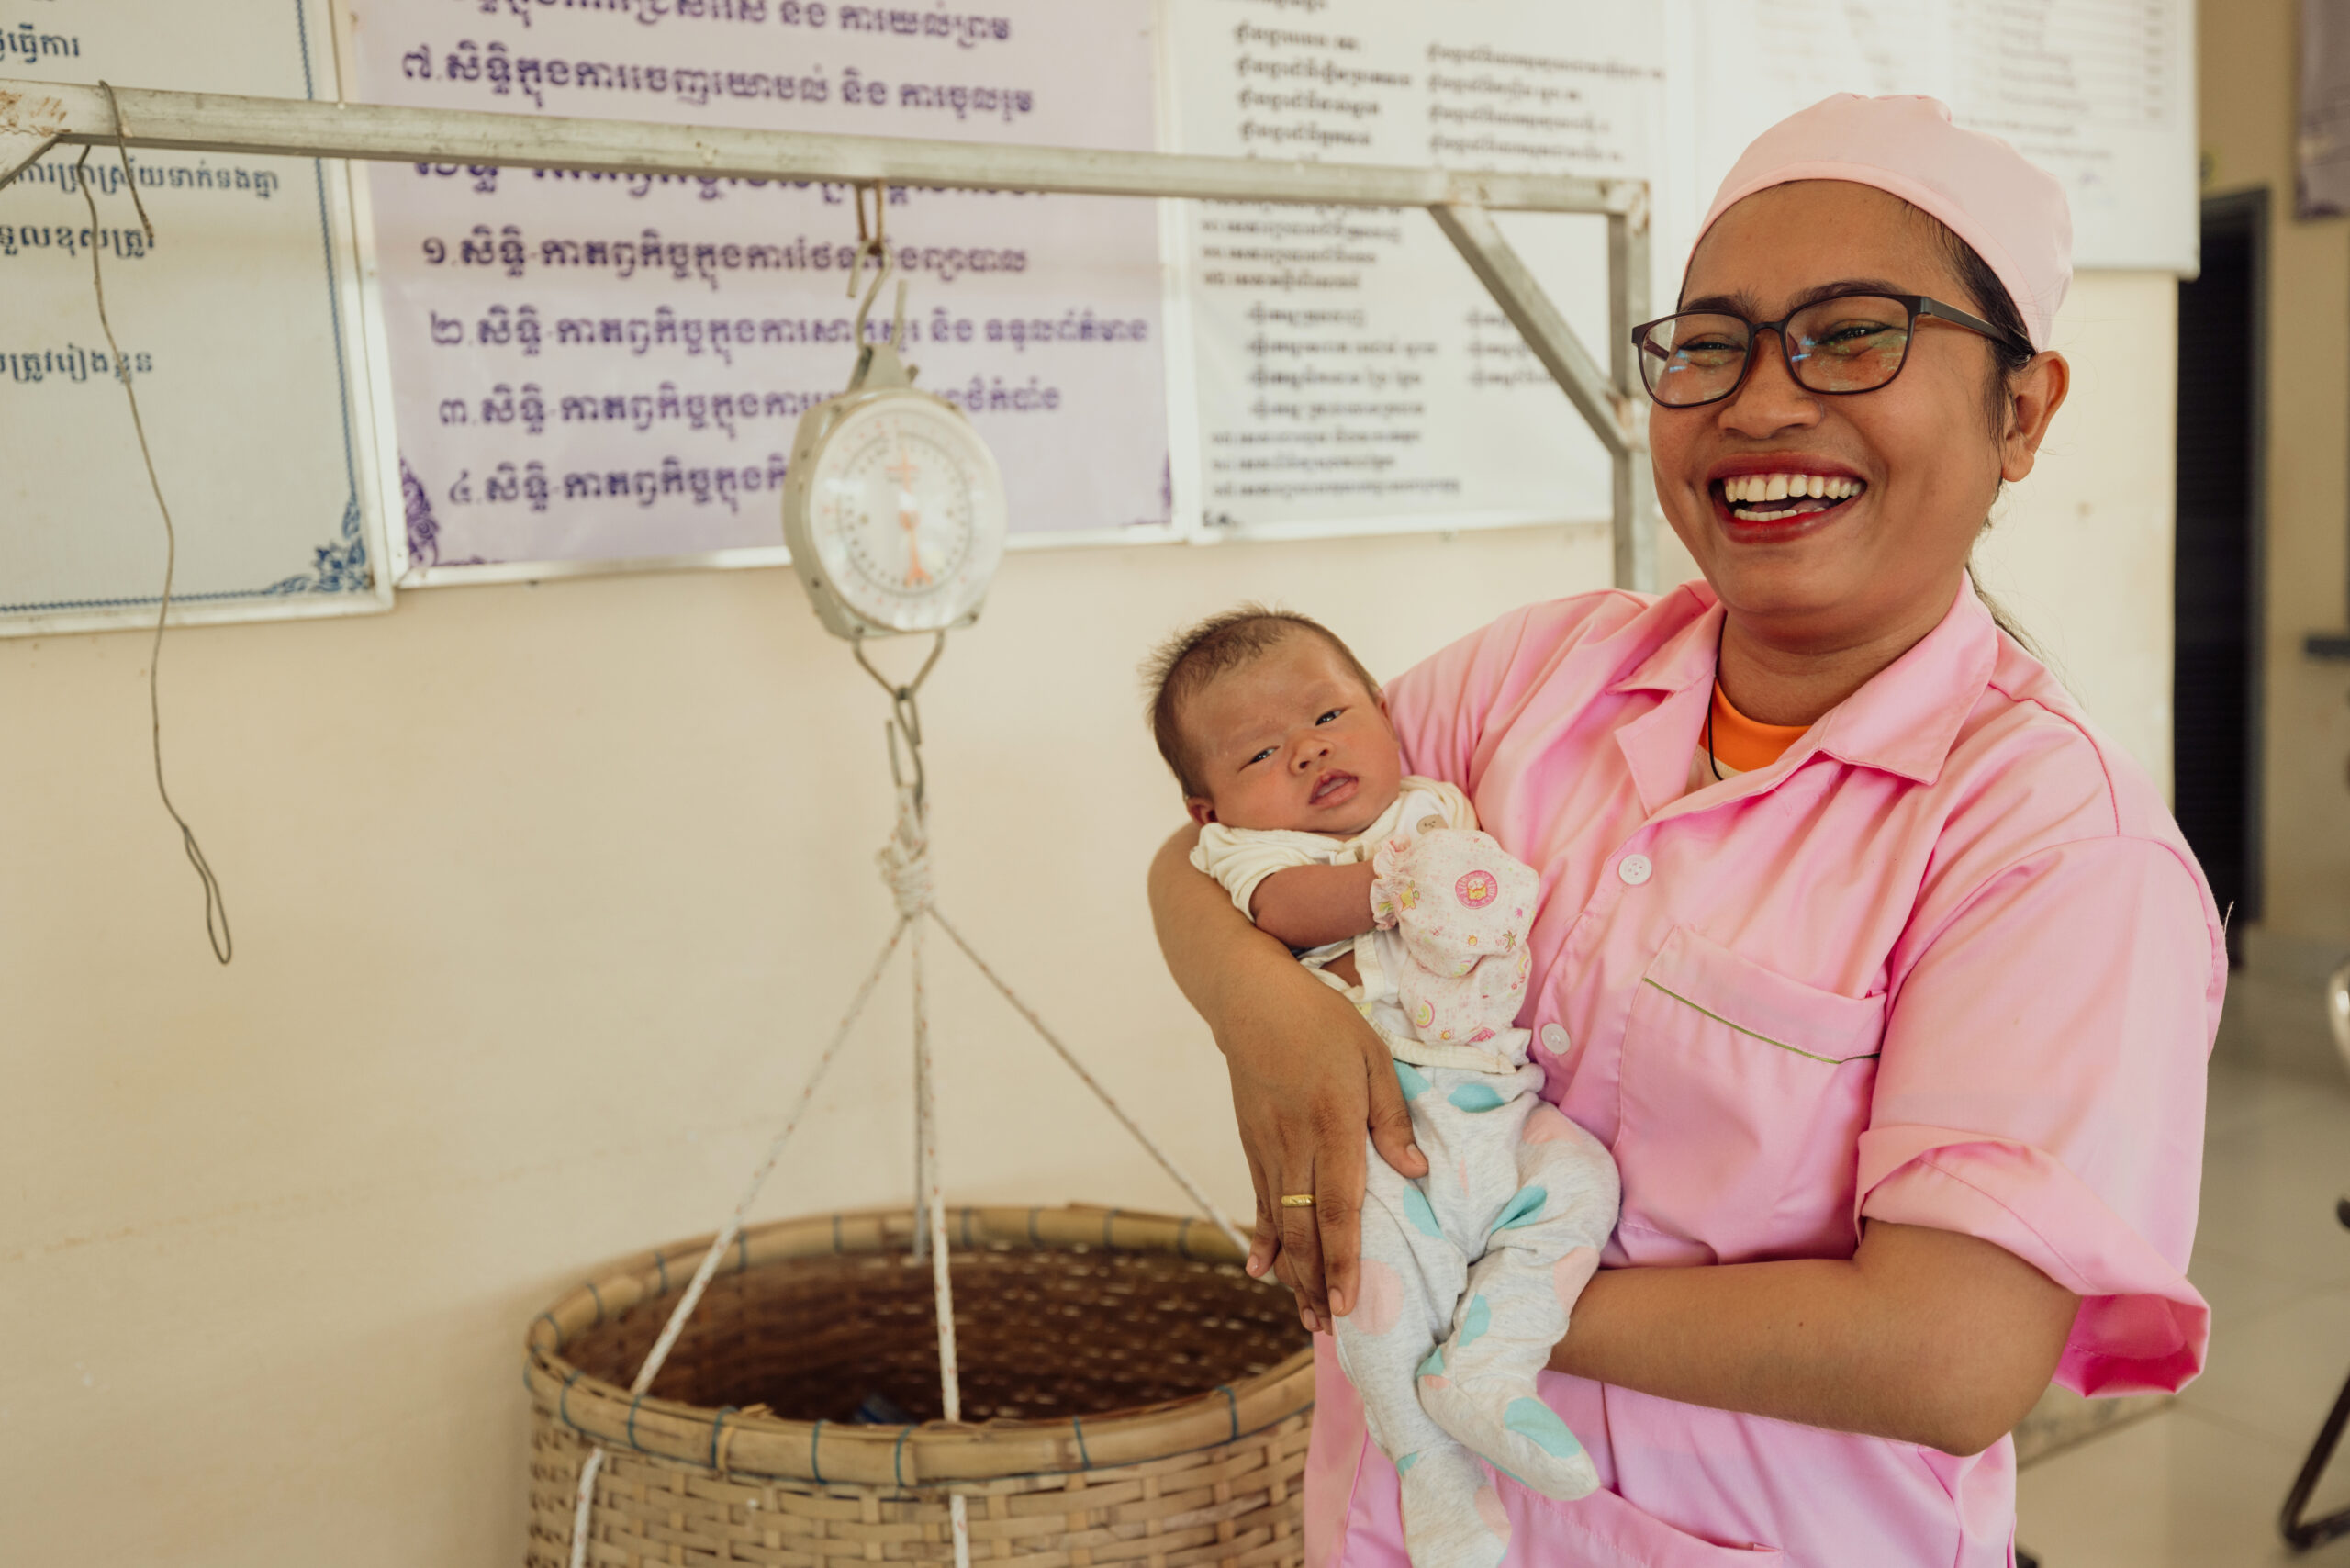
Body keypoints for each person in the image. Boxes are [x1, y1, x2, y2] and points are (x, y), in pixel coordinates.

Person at [1147, 94, 2221, 1566]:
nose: (1763, 405)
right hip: (1398, 1524)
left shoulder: (2047, 840)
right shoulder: (1541, 674)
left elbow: (1949, 1355)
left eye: (1854, 334)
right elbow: (1213, 842)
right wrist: (1261, 1015)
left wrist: (1450, 1283)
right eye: (1709, 345)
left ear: (2022, 410)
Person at [1145, 607, 1619, 1566]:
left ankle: (1489, 1365)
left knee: (1581, 1185)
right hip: (1379, 1119)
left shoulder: (1431, 802)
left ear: (1383, 709)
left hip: (1496, 1101)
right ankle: (1431, 1469)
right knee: (1377, 1289)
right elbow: (1283, 910)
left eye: (1328, 716)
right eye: (1260, 754)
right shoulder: (1257, 855)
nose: (1311, 753)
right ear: (1209, 813)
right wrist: (1396, 887)